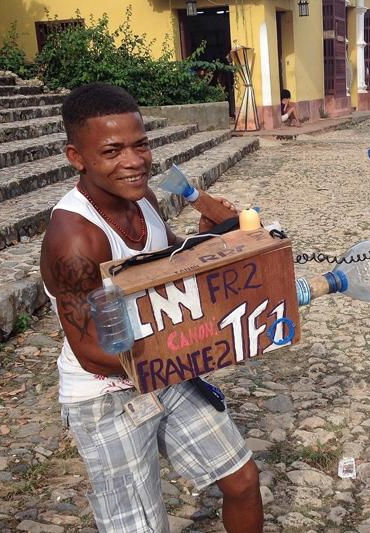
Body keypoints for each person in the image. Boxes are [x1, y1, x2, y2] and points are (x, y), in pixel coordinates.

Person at [40, 82, 263, 532]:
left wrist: (215, 238)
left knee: (242, 480)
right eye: (113, 151)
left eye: (141, 144)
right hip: (107, 393)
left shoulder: (139, 197)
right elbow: (92, 352)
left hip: (163, 366)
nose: (134, 161)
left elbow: (166, 259)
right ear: (76, 157)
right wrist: (204, 344)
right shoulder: (75, 238)